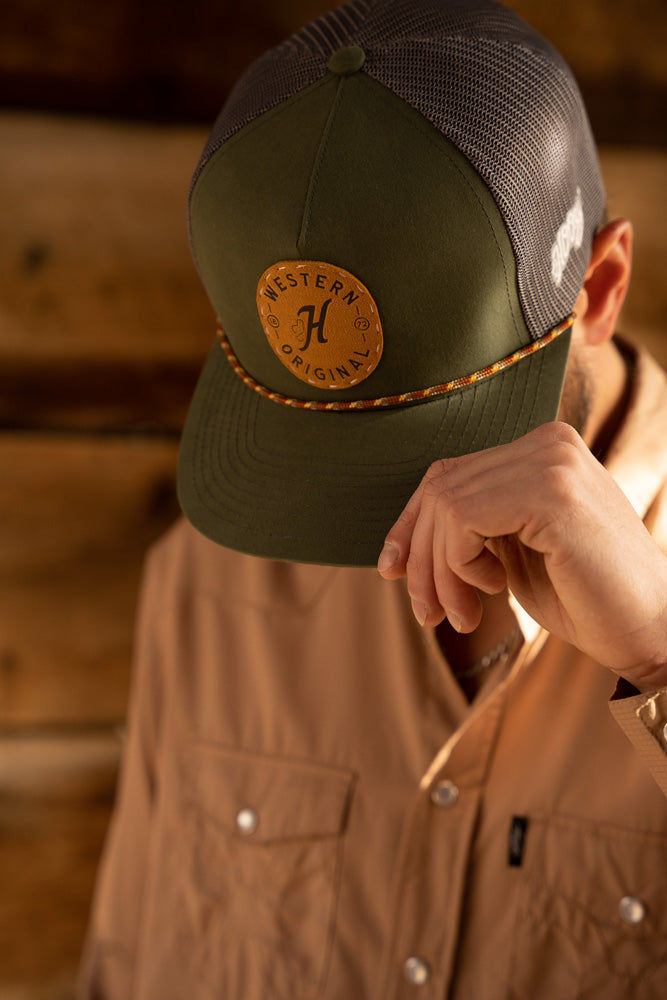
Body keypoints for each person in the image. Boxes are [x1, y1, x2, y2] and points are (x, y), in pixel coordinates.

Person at [79, 1, 667, 998]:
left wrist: (660, 652)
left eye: (429, 425)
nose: (385, 511)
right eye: (317, 437)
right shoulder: (208, 578)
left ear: (598, 287)